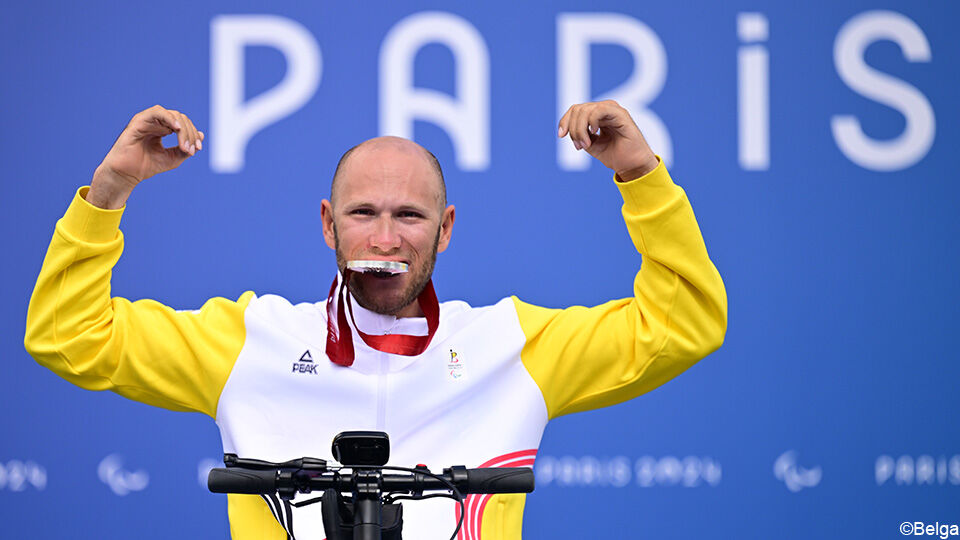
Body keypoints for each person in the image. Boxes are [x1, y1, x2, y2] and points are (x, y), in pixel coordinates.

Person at [25, 100, 726, 539]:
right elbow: (68, 336)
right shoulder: (252, 341)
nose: (386, 239)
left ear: (445, 229)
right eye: (363, 213)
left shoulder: (511, 346)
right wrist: (109, 191)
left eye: (409, 216)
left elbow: (685, 322)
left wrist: (640, 175)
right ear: (329, 224)